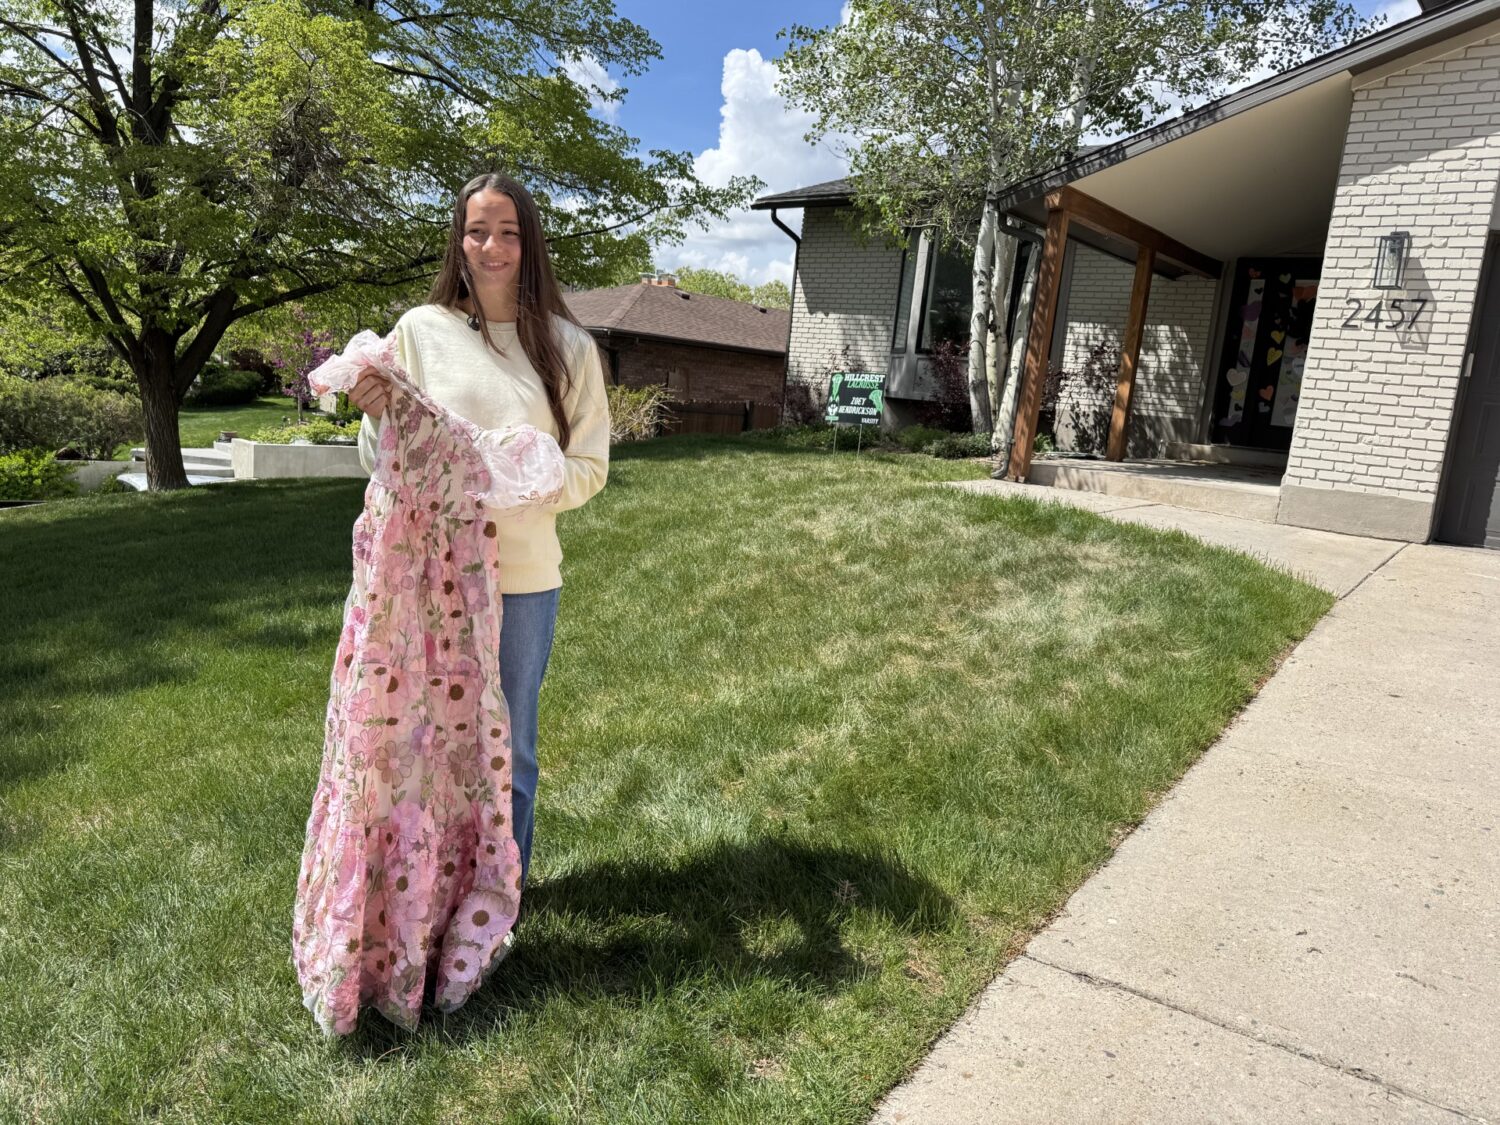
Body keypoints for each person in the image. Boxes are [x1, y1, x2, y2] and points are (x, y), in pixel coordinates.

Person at [349, 172, 610, 885]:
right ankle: (427, 895)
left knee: (510, 748)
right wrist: (376, 415)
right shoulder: (420, 332)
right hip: (430, 578)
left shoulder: (568, 346)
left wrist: (520, 481)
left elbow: (590, 468)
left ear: (530, 244)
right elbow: (383, 463)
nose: (491, 246)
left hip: (523, 581)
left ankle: (499, 895)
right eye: (476, 230)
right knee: (426, 741)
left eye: (508, 232)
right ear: (457, 240)